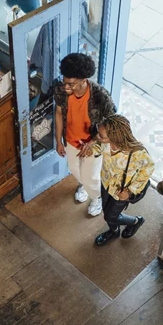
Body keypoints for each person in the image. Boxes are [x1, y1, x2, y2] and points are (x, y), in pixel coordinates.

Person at [54, 53, 116, 217]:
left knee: (91, 178)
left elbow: (112, 123)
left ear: (84, 80)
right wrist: (58, 141)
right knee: (74, 168)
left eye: (72, 84)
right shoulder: (62, 91)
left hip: (94, 142)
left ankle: (97, 199)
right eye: (65, 82)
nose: (67, 87)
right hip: (71, 140)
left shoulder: (100, 95)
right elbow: (59, 113)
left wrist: (92, 142)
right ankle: (85, 186)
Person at [94, 115, 154, 246]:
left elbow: (148, 169)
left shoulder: (137, 153)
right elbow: (98, 146)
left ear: (115, 137)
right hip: (106, 183)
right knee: (106, 211)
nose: (98, 137)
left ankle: (136, 221)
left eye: (101, 136)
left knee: (110, 216)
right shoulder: (106, 143)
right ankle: (114, 231)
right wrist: (91, 149)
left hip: (121, 192)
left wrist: (130, 191)